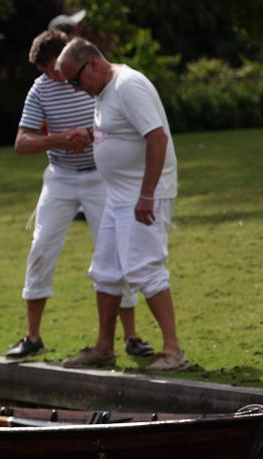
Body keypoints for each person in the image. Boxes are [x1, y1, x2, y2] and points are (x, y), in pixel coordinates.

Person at [6, 30, 152, 361]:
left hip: (102, 177)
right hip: (61, 177)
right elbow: (21, 143)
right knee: (41, 246)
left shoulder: (95, 82)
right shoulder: (41, 89)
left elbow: (124, 125)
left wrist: (91, 135)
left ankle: (130, 335)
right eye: (43, 70)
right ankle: (32, 336)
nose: (50, 76)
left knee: (117, 252)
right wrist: (60, 139)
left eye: (52, 68)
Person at [57, 38, 186, 372]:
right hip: (118, 195)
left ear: (94, 64)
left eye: (75, 80)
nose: (74, 88)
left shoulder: (128, 85)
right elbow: (122, 133)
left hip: (141, 195)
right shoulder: (103, 91)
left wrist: (147, 193)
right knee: (107, 272)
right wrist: (90, 134)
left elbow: (157, 138)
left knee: (145, 268)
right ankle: (103, 349)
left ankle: (173, 351)